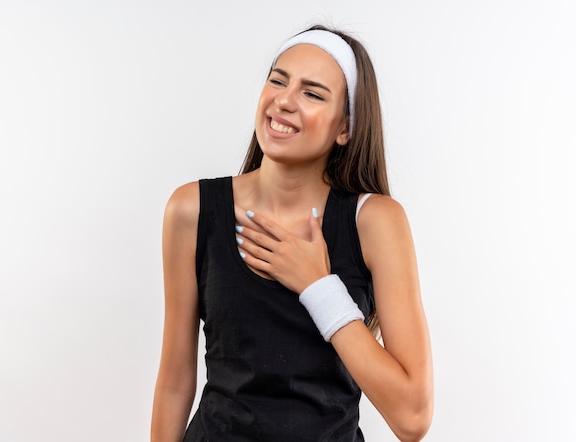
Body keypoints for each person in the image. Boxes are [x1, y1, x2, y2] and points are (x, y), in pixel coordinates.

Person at [151, 25, 433, 442]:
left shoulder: (375, 222)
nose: (284, 100)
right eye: (278, 80)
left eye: (313, 93)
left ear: (345, 128)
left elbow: (412, 418)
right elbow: (175, 383)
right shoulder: (191, 210)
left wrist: (319, 287)